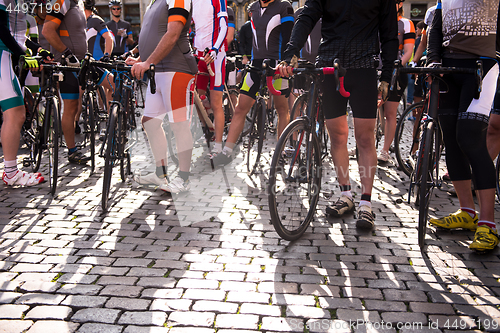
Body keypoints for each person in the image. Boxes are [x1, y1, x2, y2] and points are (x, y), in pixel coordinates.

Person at [277, 0, 398, 229]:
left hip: (363, 67)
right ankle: (346, 195)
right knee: (337, 136)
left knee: (364, 137)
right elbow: (307, 17)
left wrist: (387, 74)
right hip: (330, 65)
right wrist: (292, 52)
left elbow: (389, 34)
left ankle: (366, 203)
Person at [427, 0, 499, 252]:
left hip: (483, 64)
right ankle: (467, 211)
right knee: (451, 138)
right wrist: (434, 59)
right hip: (448, 67)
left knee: (470, 138)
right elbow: (436, 27)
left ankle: (488, 223)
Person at [210, 0, 294, 166]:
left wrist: (287, 62)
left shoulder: (284, 6)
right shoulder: (253, 8)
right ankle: (227, 152)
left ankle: (280, 150)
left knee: (281, 108)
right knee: (241, 108)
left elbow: (289, 39)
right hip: (255, 65)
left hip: (277, 65)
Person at [127, 0, 196, 193]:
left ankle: (184, 179)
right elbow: (157, 34)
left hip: (176, 69)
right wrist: (142, 60)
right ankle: (160, 174)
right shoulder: (154, 2)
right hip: (157, 70)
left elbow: (173, 33)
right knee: (150, 121)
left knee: (179, 124)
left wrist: (148, 61)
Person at [1, 0, 45, 186]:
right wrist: (22, 53)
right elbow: (2, 29)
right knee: (16, 113)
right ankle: (11, 172)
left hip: (5, 54)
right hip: (1, 56)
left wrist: (37, 49)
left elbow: (14, 34)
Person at [42, 0, 90, 165]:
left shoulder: (78, 3)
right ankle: (72, 151)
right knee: (70, 107)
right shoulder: (61, 1)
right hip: (67, 64)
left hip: (80, 64)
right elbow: (48, 30)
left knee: (76, 106)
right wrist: (67, 53)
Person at [377, 0, 415, 163]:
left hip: (394, 73)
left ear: (400, 4)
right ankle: (368, 145)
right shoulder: (376, 19)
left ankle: (385, 151)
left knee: (390, 113)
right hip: (374, 69)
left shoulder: (406, 23)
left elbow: (408, 50)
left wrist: (398, 65)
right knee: (374, 111)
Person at [191, 0, 228, 157]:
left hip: (215, 55)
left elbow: (224, 26)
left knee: (216, 103)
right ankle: (209, 127)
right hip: (198, 54)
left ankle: (218, 145)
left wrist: (214, 49)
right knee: (197, 99)